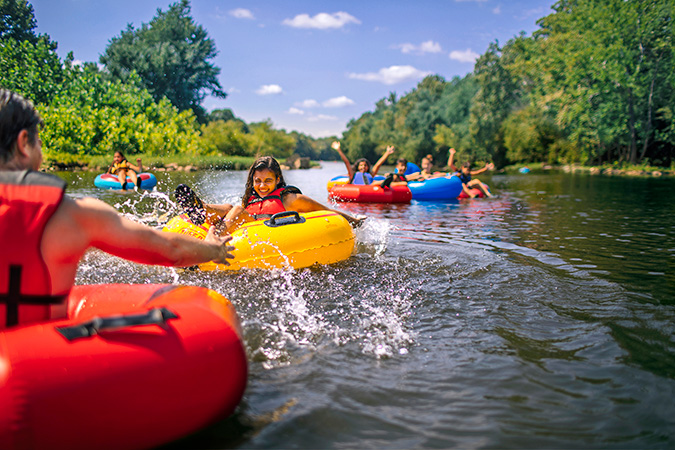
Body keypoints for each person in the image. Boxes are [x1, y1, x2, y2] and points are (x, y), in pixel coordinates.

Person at [0, 89, 235, 330]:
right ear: (23, 143)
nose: (40, 148)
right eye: (38, 141)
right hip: (34, 354)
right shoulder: (72, 215)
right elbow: (171, 250)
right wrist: (213, 248)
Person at [175, 155, 364, 233]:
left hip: (267, 232)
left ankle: (214, 238)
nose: (262, 186)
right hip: (242, 229)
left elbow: (325, 211)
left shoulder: (289, 199)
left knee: (238, 209)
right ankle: (201, 208)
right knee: (229, 208)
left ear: (278, 179)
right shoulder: (252, 197)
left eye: (268, 181)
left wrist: (353, 221)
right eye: (257, 181)